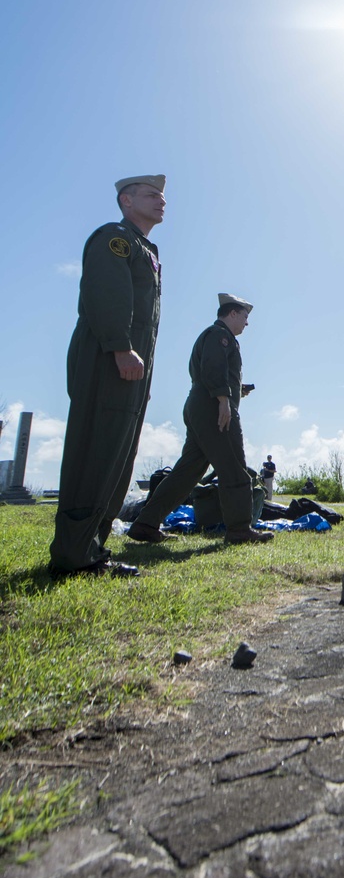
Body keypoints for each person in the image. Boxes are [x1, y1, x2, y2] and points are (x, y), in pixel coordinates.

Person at [49, 174, 167, 578]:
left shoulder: (144, 248)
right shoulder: (115, 239)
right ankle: (73, 555)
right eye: (152, 195)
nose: (162, 201)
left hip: (131, 365)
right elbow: (106, 294)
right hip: (108, 357)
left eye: (163, 196)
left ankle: (91, 548)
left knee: (116, 454)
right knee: (95, 450)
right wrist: (120, 346)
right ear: (126, 200)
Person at [129, 294, 274, 546]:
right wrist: (224, 401)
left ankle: (145, 523)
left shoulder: (215, 336)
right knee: (234, 465)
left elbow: (212, 373)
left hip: (201, 404)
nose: (247, 324)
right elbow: (212, 368)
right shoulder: (220, 336)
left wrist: (235, 391)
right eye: (245, 317)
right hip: (211, 407)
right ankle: (240, 529)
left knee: (188, 471)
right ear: (232, 314)